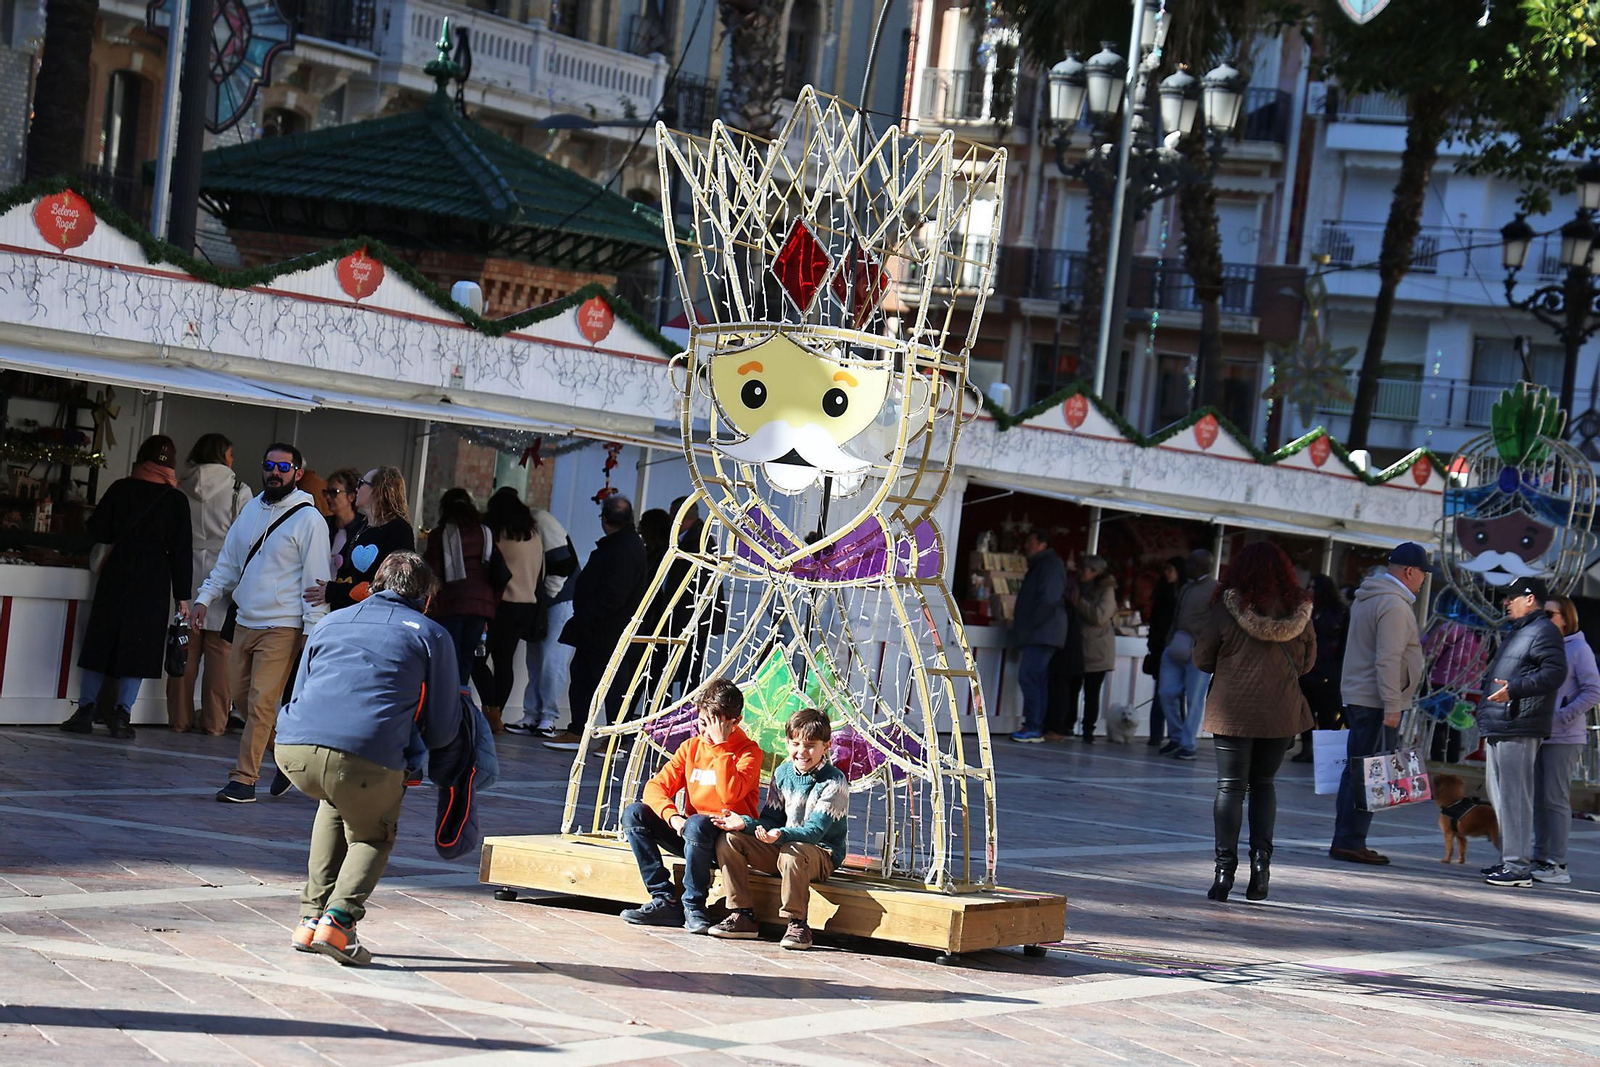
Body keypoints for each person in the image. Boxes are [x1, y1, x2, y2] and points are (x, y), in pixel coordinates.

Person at [275, 552, 463, 965]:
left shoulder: (331, 621)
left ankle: (309, 919)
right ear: (426, 597)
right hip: (365, 754)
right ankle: (339, 922)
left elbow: (300, 690)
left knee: (336, 801)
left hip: (293, 748)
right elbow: (443, 724)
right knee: (372, 835)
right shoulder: (431, 634)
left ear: (375, 584)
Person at [193, 443, 331, 803]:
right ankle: (288, 760)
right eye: (270, 465)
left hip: (282, 625)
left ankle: (244, 779)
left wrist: (311, 630)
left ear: (298, 473)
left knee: (260, 703)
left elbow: (316, 581)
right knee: (242, 701)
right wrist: (204, 598)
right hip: (244, 621)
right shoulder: (250, 509)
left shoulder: (309, 520)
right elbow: (227, 563)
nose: (275, 472)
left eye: (284, 468)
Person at [1193, 542, 1315, 903]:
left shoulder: (1226, 608)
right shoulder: (1299, 611)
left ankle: (1223, 873)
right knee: (1264, 785)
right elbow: (1308, 663)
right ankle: (1261, 870)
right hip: (1280, 710)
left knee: (1230, 787)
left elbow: (1203, 657)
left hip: (1233, 709)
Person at [61, 435, 192, 740]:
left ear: (141, 457)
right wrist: (182, 596)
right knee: (140, 646)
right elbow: (181, 551)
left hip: (117, 573)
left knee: (101, 642)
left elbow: (98, 530)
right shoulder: (175, 500)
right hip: (153, 579)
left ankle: (86, 710)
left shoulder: (121, 488)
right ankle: (122, 715)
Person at [619, 678, 762, 932]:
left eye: (715, 726)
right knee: (634, 814)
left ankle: (694, 905)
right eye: (703, 723)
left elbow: (729, 796)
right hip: (691, 835)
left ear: (735, 722)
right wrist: (673, 817)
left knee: (697, 823)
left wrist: (721, 747)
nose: (706, 732)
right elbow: (654, 788)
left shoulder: (749, 752)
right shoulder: (691, 747)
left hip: (727, 842)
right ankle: (664, 898)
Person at [709, 707, 849, 950]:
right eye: (795, 744)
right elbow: (771, 819)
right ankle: (742, 914)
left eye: (810, 746)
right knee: (730, 839)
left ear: (826, 746)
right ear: (787, 743)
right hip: (783, 847)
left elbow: (814, 832)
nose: (801, 752)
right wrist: (745, 823)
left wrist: (780, 834)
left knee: (792, 851)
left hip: (820, 854)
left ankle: (797, 923)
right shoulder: (783, 772)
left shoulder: (834, 781)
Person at [1329, 542, 1427, 864]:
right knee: (1369, 774)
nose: (1424, 579)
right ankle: (1350, 841)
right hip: (1376, 701)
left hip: (1362, 696)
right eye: (1423, 572)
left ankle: (1346, 838)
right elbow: (1388, 659)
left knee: (1357, 771)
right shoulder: (1394, 604)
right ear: (1409, 571)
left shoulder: (1369, 596)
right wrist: (1392, 704)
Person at [1479, 576, 1567, 888]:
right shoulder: (1520, 630)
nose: (1506, 602)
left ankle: (1517, 868)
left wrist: (1515, 689)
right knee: (1502, 797)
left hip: (1518, 723)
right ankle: (1510, 860)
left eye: (1512, 597)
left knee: (1514, 798)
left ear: (1530, 599)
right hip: (1501, 723)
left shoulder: (1544, 630)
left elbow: (1555, 673)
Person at [544, 495, 648, 750]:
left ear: (605, 520)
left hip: (606, 629)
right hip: (600, 628)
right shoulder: (624, 544)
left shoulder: (624, 548)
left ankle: (613, 738)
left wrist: (588, 615)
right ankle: (581, 730)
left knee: (609, 685)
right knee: (585, 679)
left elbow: (614, 593)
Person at [166, 433, 251, 735]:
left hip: (185, 574)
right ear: (222, 455)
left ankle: (179, 719)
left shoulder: (180, 486)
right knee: (220, 657)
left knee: (184, 650)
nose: (233, 460)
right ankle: (215, 723)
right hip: (223, 578)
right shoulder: (239, 490)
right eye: (230, 454)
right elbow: (248, 538)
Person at [1532, 594, 1596, 885]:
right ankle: (1540, 856)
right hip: (1540, 732)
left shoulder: (1579, 649)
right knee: (1539, 798)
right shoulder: (1546, 644)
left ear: (1566, 619)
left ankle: (1557, 863)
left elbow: (1593, 690)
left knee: (1554, 798)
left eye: (1551, 615)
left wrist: (1563, 715)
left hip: (1565, 737)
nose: (1545, 619)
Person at [422, 488, 500, 720]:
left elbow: (433, 570)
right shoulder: (486, 533)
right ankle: (461, 709)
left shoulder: (440, 534)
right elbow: (497, 570)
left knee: (449, 659)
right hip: (481, 606)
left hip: (451, 604)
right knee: (467, 660)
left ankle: (446, 713)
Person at [506, 501, 578, 736]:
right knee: (536, 659)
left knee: (551, 659)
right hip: (546, 599)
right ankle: (533, 714)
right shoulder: (534, 522)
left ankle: (547, 716)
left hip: (558, 599)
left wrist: (546, 596)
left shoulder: (541, 521)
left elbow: (562, 564)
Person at [310, 467, 413, 612]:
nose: (356, 489)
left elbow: (392, 585)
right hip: (345, 613)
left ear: (377, 490)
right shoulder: (362, 526)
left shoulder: (399, 530)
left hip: (372, 616)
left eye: (361, 483)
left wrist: (335, 591)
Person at [484, 489, 544, 733]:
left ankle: (489, 710)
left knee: (477, 659)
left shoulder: (498, 535)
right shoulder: (533, 535)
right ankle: (496, 713)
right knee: (504, 661)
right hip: (526, 605)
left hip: (502, 605)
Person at [1008, 530, 1067, 743]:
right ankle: (1035, 725)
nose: (1027, 546)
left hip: (1042, 632)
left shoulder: (1049, 566)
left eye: (1030, 541)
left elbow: (1048, 599)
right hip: (1042, 631)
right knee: (1037, 678)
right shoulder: (1043, 565)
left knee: (1029, 676)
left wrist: (1029, 624)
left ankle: (1033, 726)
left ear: (1042, 544)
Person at [1160, 548, 1218, 761]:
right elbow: (1176, 617)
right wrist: (1169, 641)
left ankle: (1187, 743)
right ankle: (1176, 737)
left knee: (1194, 699)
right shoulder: (1186, 586)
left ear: (1203, 566)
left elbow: (1220, 622)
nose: (1186, 567)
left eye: (1191, 563)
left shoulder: (1216, 589)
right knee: (1166, 693)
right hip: (1176, 645)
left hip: (1199, 649)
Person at [1292, 575, 1348, 763]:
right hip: (1307, 669)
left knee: (1326, 714)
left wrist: (1336, 668)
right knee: (1306, 712)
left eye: (1314, 587)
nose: (1310, 590)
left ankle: (1324, 752)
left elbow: (1343, 642)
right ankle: (1306, 748)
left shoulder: (1340, 612)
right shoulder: (1307, 611)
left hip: (1328, 670)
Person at [1067, 554, 1117, 743]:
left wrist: (1079, 602)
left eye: (1086, 569)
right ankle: (1068, 724)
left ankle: (1088, 729)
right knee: (1072, 688)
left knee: (1091, 692)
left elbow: (1099, 616)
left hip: (1097, 649)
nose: (1082, 572)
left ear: (1096, 572)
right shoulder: (1078, 587)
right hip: (1077, 645)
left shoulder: (1106, 591)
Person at [1142, 556, 1185, 748]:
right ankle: (1157, 734)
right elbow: (1155, 622)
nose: (1167, 573)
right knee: (1162, 692)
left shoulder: (1184, 593)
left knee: (1177, 693)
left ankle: (1177, 734)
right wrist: (1153, 645)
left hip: (1179, 646)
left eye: (1171, 569)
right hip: (1162, 647)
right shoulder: (1163, 592)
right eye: (1166, 569)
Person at [1044, 564, 1084, 744]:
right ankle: (1064, 726)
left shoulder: (1062, 608)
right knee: (1068, 692)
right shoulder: (1072, 608)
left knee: (1060, 692)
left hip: (1064, 653)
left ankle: (1056, 727)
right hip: (1073, 655)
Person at [321, 468, 366, 576]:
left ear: (351, 496)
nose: (328, 497)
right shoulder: (323, 524)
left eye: (334, 492)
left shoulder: (364, 528)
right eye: (326, 492)